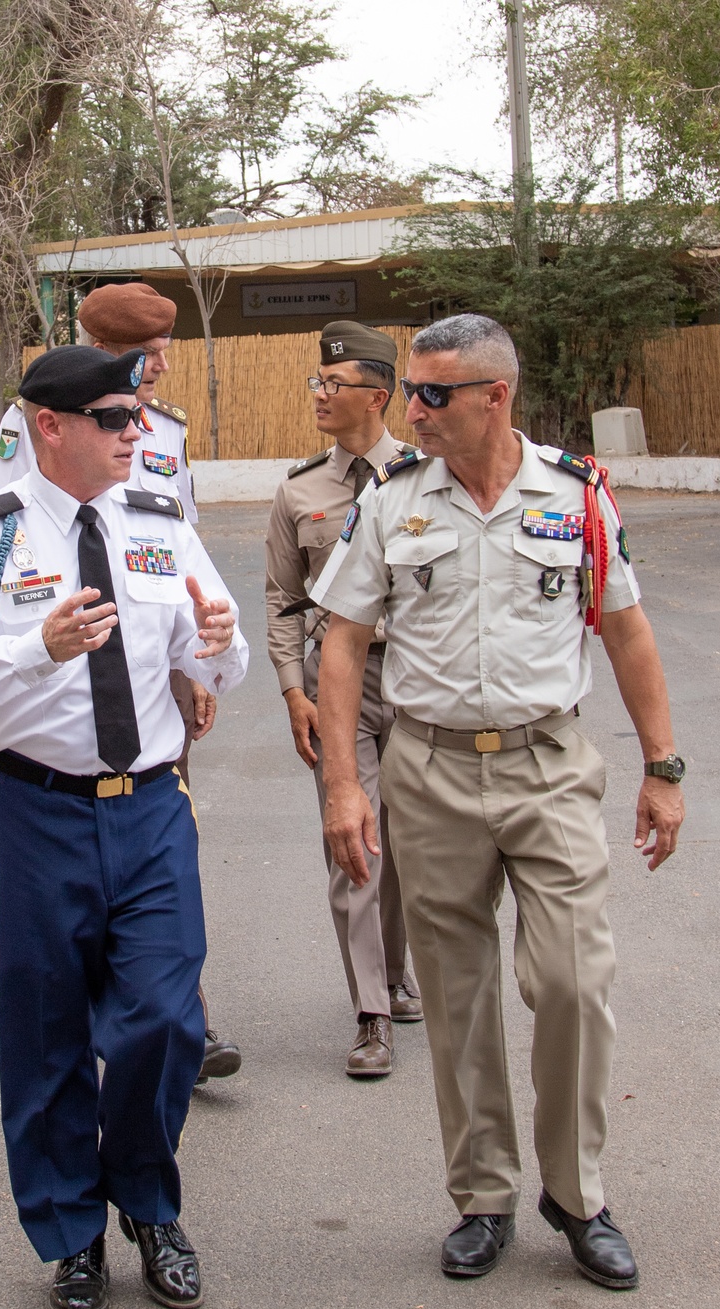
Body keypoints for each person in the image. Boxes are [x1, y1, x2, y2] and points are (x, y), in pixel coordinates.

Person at [312, 314, 685, 1290]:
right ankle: (482, 1196)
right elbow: (343, 641)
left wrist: (663, 766)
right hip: (428, 773)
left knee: (570, 981)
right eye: (410, 393)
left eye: (433, 394)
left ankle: (576, 1192)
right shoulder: (392, 503)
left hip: (548, 765)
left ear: (494, 398)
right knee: (457, 996)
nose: (414, 411)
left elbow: (625, 630)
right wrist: (342, 786)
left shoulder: (574, 493)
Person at [0, 345, 249, 1309]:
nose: (136, 433)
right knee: (48, 1029)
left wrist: (217, 652)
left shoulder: (158, 521)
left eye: (136, 416)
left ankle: (144, 1199)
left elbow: (209, 651)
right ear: (49, 427)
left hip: (148, 805)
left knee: (167, 1014)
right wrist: (31, 648)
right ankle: (72, 1238)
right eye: (114, 418)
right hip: (34, 808)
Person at [0, 282, 242, 1084]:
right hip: (62, 654)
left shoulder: (164, 427)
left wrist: (192, 659)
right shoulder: (37, 421)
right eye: (139, 356)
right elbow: (16, 525)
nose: (155, 371)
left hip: (152, 657)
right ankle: (103, 1005)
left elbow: (173, 541)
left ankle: (174, 1007)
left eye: (162, 355)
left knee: (160, 840)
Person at [265, 320, 422, 1078]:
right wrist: (293, 690)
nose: (320, 395)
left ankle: (393, 969)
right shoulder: (301, 490)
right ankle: (372, 1013)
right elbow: (282, 600)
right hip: (340, 684)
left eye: (335, 385)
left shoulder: (429, 478)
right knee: (353, 839)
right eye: (316, 383)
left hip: (423, 683)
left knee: (408, 844)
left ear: (379, 396)